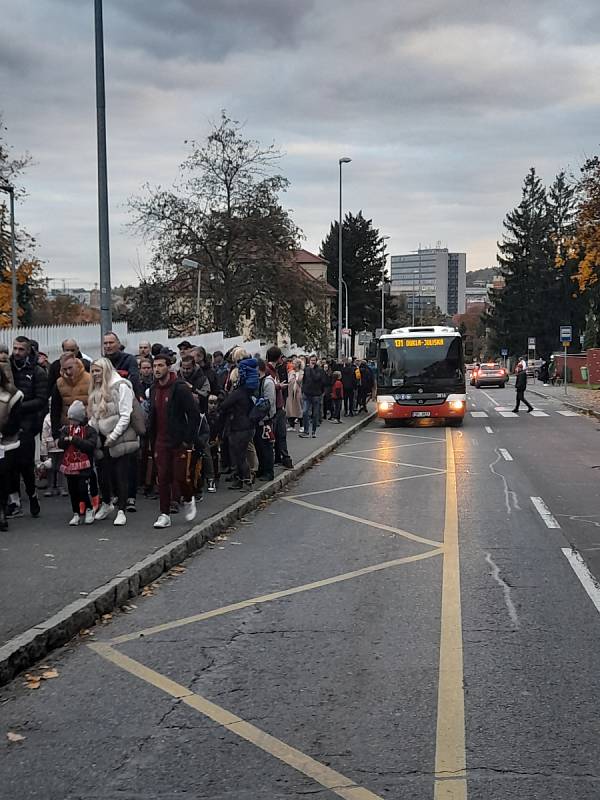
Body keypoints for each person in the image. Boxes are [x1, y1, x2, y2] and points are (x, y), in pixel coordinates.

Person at [148, 351, 200, 528]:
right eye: (155, 366)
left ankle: (188, 497)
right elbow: (153, 417)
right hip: (160, 441)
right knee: (162, 478)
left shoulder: (179, 387)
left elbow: (193, 415)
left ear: (168, 367)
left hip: (178, 442)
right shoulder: (154, 389)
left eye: (160, 365)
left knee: (179, 477)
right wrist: (152, 440)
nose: (157, 369)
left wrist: (188, 440)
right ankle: (164, 514)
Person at [88, 357, 138, 526]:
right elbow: (94, 416)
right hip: (102, 438)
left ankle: (122, 510)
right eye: (93, 371)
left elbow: (126, 415)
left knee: (120, 475)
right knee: (102, 474)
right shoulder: (95, 390)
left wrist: (113, 436)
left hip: (120, 437)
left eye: (98, 370)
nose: (95, 374)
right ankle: (107, 503)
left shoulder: (121, 386)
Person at [103, 330, 142, 511]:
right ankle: (117, 495)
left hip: (126, 413)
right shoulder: (103, 363)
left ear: (118, 344)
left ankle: (131, 496)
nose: (108, 346)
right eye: (106, 343)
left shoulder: (129, 360)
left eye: (111, 342)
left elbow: (132, 382)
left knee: (129, 459)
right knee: (111, 460)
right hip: (109, 416)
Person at [8, 336, 46, 518]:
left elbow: (41, 400)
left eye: (21, 349)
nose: (16, 353)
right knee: (9, 465)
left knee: (25, 464)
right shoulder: (7, 368)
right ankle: (14, 501)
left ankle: (32, 494)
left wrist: (18, 406)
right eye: (14, 348)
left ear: (28, 350)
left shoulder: (37, 371)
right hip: (8, 423)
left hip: (27, 422)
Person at [219, 358, 257, 491]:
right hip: (248, 426)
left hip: (238, 427)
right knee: (240, 454)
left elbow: (224, 405)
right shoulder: (248, 391)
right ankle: (240, 481)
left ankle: (246, 482)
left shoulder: (237, 393)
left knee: (239, 456)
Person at [57, 401, 98, 526]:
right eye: (70, 419)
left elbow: (90, 445)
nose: (71, 423)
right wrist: (65, 440)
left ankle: (89, 509)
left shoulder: (89, 430)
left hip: (84, 466)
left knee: (82, 489)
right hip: (70, 464)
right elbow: (60, 443)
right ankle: (76, 513)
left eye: (74, 420)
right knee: (72, 490)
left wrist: (74, 440)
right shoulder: (66, 429)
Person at [0, 356, 23, 531]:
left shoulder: (13, 396)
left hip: (6, 443)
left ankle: (2, 512)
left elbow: (15, 422)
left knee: (3, 479)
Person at [50, 352, 91, 439]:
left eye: (70, 368)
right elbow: (55, 411)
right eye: (65, 369)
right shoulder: (58, 384)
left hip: (88, 429)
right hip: (67, 430)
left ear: (76, 364)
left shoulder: (90, 380)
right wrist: (56, 435)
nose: (68, 372)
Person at [265, 346, 293, 469]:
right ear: (278, 357)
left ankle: (281, 458)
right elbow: (268, 387)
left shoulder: (274, 369)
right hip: (274, 407)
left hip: (278, 405)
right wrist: (279, 386)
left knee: (279, 434)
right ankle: (283, 458)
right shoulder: (268, 370)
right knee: (277, 435)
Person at [254, 359, 277, 481]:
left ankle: (269, 472)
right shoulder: (259, 381)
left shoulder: (268, 382)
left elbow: (269, 402)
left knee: (266, 447)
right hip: (258, 419)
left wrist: (264, 416)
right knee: (259, 446)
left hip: (266, 419)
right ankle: (262, 469)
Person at [300, 354, 325, 438]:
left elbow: (316, 378)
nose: (312, 362)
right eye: (311, 360)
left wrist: (311, 369)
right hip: (307, 394)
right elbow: (304, 380)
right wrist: (303, 390)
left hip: (316, 394)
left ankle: (313, 431)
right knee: (305, 412)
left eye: (314, 360)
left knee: (315, 414)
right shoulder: (306, 369)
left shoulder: (319, 370)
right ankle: (306, 431)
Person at [285, 358, 304, 430]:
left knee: (299, 408)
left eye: (294, 363)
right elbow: (288, 381)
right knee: (291, 408)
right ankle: (292, 425)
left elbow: (301, 382)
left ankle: (302, 426)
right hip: (291, 392)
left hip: (299, 392)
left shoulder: (302, 372)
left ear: (298, 364)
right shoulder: (291, 372)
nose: (293, 364)